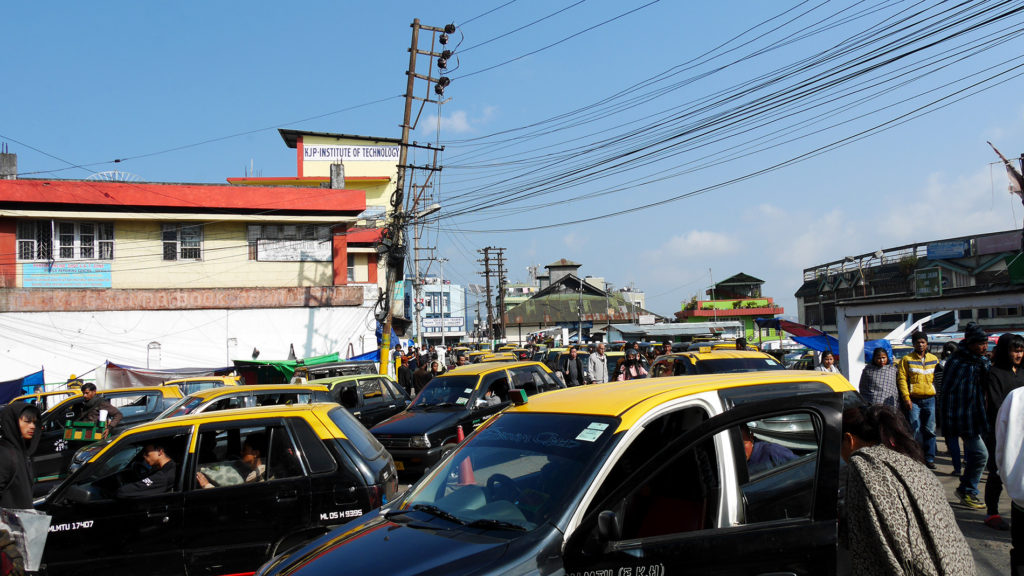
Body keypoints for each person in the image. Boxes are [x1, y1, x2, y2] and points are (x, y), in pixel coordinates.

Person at [841, 404, 974, 575]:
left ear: (849, 439)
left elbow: (866, 544)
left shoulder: (863, 465)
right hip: (958, 564)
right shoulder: (908, 458)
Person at [940, 322, 991, 509]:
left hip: (978, 416)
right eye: (980, 344)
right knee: (980, 455)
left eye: (985, 343)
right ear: (969, 343)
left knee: (977, 455)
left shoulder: (982, 361)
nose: (984, 347)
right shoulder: (957, 362)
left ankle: (965, 488)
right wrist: (948, 419)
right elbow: (947, 392)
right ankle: (967, 490)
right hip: (961, 417)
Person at [983, 333, 1024, 530]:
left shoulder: (1023, 371)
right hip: (1001, 428)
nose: (1019, 355)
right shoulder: (995, 373)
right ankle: (992, 512)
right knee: (996, 469)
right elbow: (995, 404)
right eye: (1015, 350)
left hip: (1022, 431)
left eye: (1021, 350)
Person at [896, 331, 939, 469]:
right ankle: (916, 456)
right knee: (915, 429)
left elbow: (938, 379)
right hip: (913, 400)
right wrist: (906, 398)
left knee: (930, 430)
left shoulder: (934, 359)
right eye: (918, 342)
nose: (920, 345)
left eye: (923, 342)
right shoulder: (906, 359)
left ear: (926, 344)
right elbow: (902, 379)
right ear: (913, 344)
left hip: (930, 399)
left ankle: (930, 458)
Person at [995, 386, 1024, 575]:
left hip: (1020, 494)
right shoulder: (1015, 396)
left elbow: (1000, 445)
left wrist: (1009, 481)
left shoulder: (1016, 397)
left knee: (1021, 555)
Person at [0, 402, 41, 508]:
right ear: (12, 422)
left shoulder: (23, 452)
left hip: (23, 521)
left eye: (34, 422)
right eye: (27, 421)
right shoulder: (5, 454)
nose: (32, 426)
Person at [196, 434, 266, 488]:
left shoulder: (257, 476)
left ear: (255, 453)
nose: (241, 452)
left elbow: (234, 497)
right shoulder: (259, 471)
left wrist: (206, 485)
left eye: (245, 450)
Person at [936, 341, 963, 476]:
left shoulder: (939, 366)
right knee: (966, 439)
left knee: (952, 439)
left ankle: (957, 468)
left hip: (946, 405)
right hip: (962, 406)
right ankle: (967, 463)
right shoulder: (962, 365)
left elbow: (938, 387)